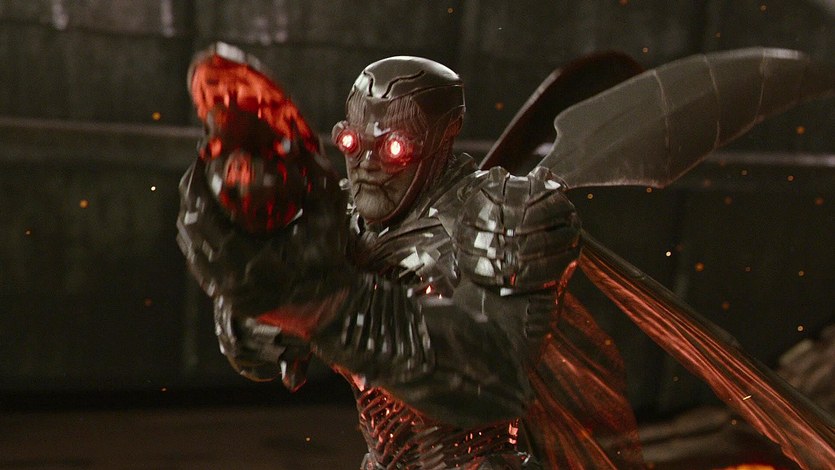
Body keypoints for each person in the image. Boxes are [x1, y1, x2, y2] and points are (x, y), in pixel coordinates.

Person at [178, 44, 835, 469]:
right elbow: (258, 352)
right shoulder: (343, 219)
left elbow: (488, 371)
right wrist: (255, 293)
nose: (367, 163)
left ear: (443, 136)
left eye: (395, 147)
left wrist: (327, 305)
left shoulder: (504, 217)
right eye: (353, 142)